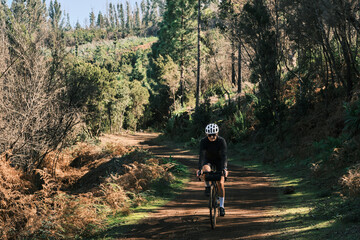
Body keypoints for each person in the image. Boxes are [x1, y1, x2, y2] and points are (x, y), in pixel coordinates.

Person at [197, 123, 228, 217]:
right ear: (207, 135)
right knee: (205, 169)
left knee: (220, 183)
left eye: (214, 134)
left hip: (219, 161)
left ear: (217, 133)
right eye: (210, 135)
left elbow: (224, 156)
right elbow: (201, 156)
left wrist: (224, 169)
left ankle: (221, 206)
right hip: (208, 160)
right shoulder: (203, 141)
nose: (212, 137)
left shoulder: (221, 141)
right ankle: (207, 186)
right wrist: (199, 169)